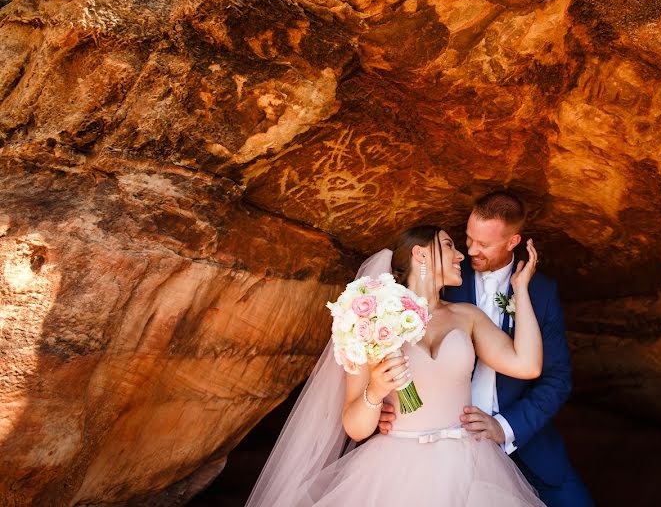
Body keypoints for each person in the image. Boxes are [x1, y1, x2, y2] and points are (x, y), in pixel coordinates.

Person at [246, 224, 546, 506]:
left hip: (468, 460)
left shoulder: (468, 316)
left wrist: (521, 288)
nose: (460, 255)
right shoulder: (370, 318)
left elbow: (528, 365)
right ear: (421, 253)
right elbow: (355, 427)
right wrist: (375, 391)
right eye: (449, 245)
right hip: (395, 464)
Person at [380, 192, 593, 507]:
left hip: (523, 441)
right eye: (467, 238)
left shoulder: (541, 292)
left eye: (483, 244)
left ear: (512, 241)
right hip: (440, 444)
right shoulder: (445, 276)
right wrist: (383, 404)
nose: (469, 251)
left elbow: (555, 378)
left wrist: (506, 427)